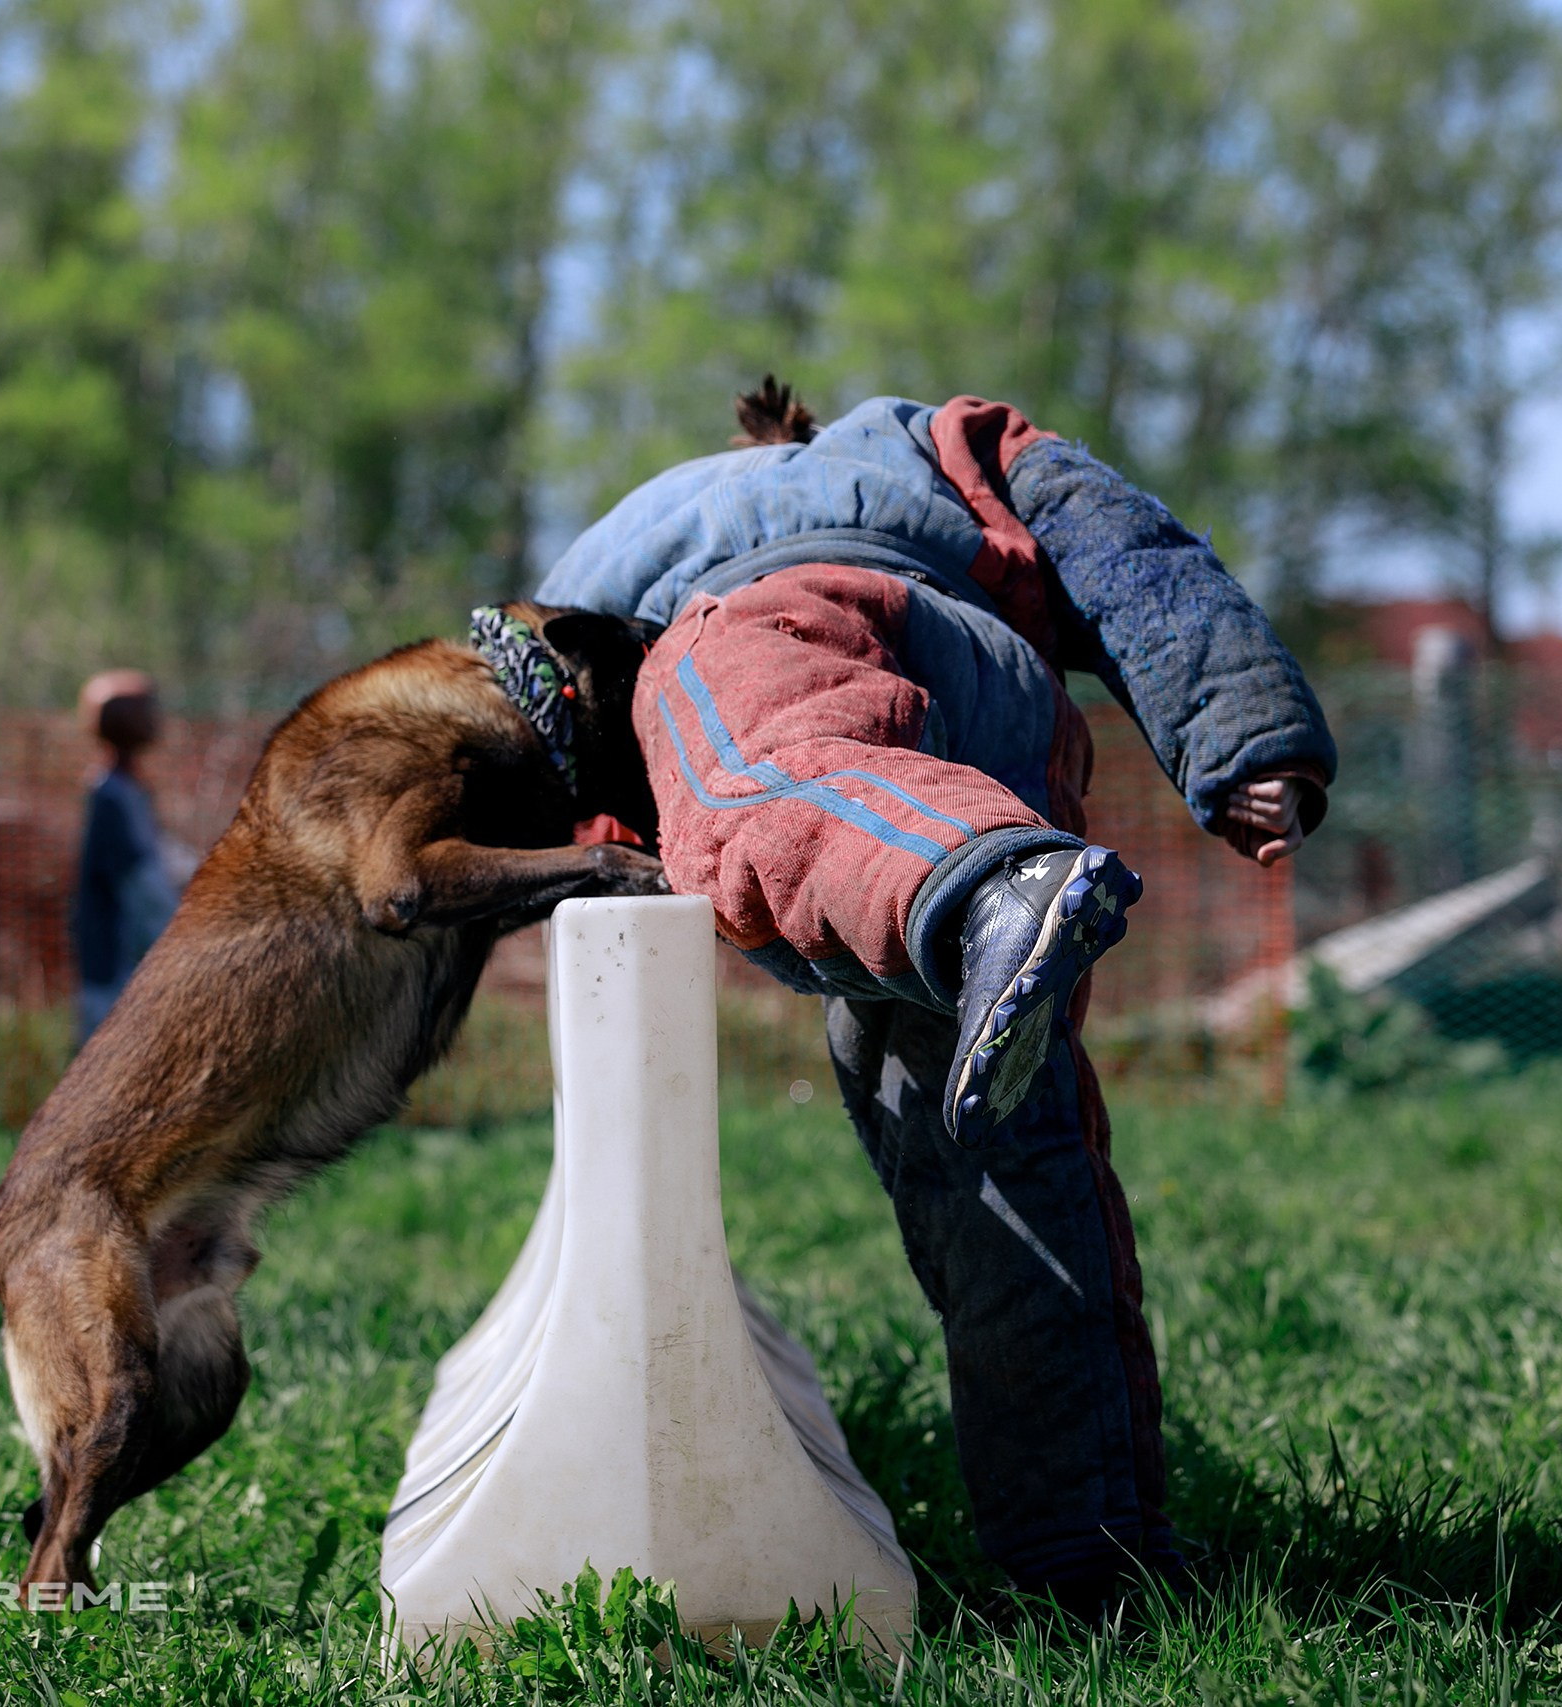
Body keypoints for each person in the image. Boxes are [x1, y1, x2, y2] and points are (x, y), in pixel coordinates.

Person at [533, 383, 1335, 1613]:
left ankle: (986, 889)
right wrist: (1240, 738)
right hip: (998, 700)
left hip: (778, 638)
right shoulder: (933, 437)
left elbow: (566, 713)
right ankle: (1095, 1557)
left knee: (745, 770)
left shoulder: (650, 524)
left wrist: (577, 851)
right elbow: (1129, 551)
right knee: (1003, 1173)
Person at [72, 668, 181, 1047]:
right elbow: (141, 880)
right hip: (114, 964)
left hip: (130, 962)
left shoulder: (128, 790)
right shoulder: (111, 796)